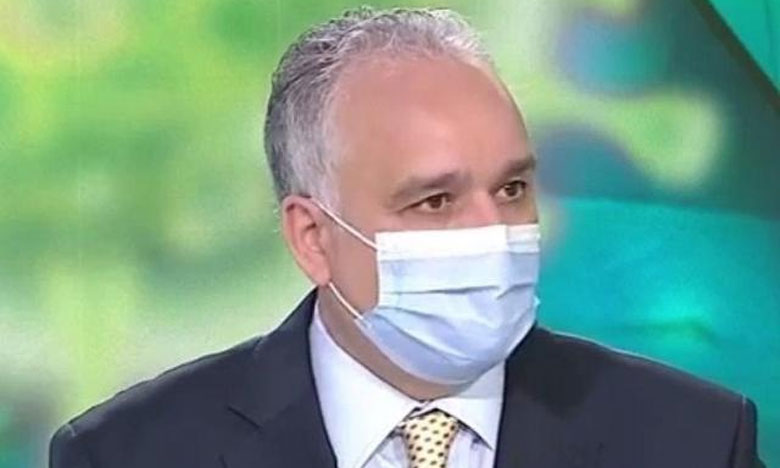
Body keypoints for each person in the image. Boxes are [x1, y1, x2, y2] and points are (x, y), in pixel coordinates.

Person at [49, 7, 764, 468]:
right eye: (435, 201)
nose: (494, 233)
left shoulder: (694, 441)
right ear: (312, 237)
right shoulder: (126, 456)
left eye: (511, 189)